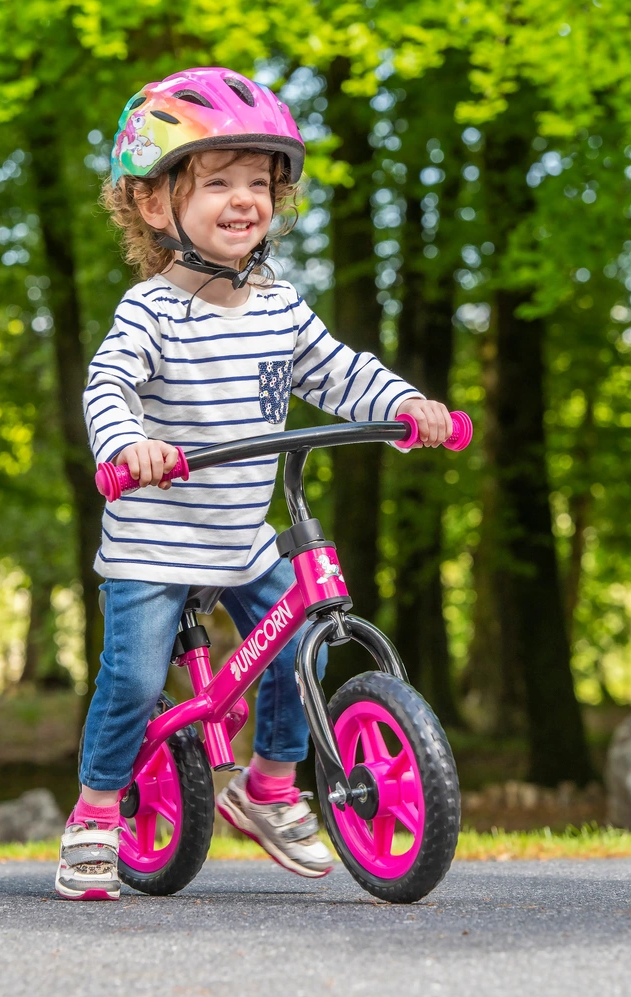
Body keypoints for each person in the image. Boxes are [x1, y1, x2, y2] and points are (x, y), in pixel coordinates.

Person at [56, 66, 454, 900]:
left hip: (242, 535)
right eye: (218, 182)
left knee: (301, 637)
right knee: (133, 679)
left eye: (260, 184)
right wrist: (130, 444)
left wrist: (405, 404)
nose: (245, 200)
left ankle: (269, 784)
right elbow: (109, 385)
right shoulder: (150, 312)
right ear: (155, 203)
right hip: (155, 540)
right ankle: (96, 812)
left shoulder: (280, 308)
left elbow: (339, 372)